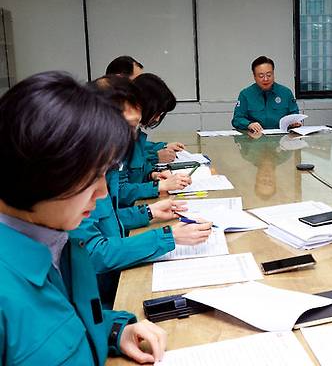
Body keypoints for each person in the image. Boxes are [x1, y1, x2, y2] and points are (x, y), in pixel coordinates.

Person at [0, 71, 167, 364]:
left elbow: (59, 318)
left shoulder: (59, 240)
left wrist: (114, 330)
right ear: (40, 170)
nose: (102, 192)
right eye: (92, 177)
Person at [76, 75, 212, 307]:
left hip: (108, 294)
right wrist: (168, 236)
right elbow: (94, 252)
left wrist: (149, 213)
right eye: (128, 126)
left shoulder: (101, 164)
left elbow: (107, 222)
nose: (130, 138)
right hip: (100, 295)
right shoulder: (75, 172)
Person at [119, 73, 190, 206]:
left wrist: (152, 176)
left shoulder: (134, 132)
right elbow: (118, 193)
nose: (157, 119)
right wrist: (159, 186)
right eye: (157, 112)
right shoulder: (117, 139)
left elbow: (134, 173)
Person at [232, 56, 300, 132]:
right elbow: (237, 120)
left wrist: (294, 123)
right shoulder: (245, 95)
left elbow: (294, 115)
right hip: (254, 140)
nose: (265, 79)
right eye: (261, 76)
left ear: (273, 74)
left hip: (281, 139)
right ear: (254, 76)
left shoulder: (286, 93)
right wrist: (249, 124)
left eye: (269, 75)